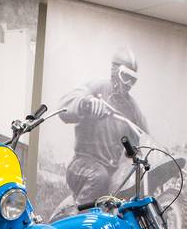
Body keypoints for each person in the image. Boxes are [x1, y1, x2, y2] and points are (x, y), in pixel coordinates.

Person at [59, 47, 149, 206]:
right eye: (125, 76)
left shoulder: (131, 107)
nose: (128, 84)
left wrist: (156, 153)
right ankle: (82, 222)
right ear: (115, 72)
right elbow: (66, 104)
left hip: (112, 170)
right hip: (82, 164)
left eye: (133, 79)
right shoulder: (96, 87)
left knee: (132, 184)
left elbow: (144, 134)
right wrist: (85, 103)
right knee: (99, 177)